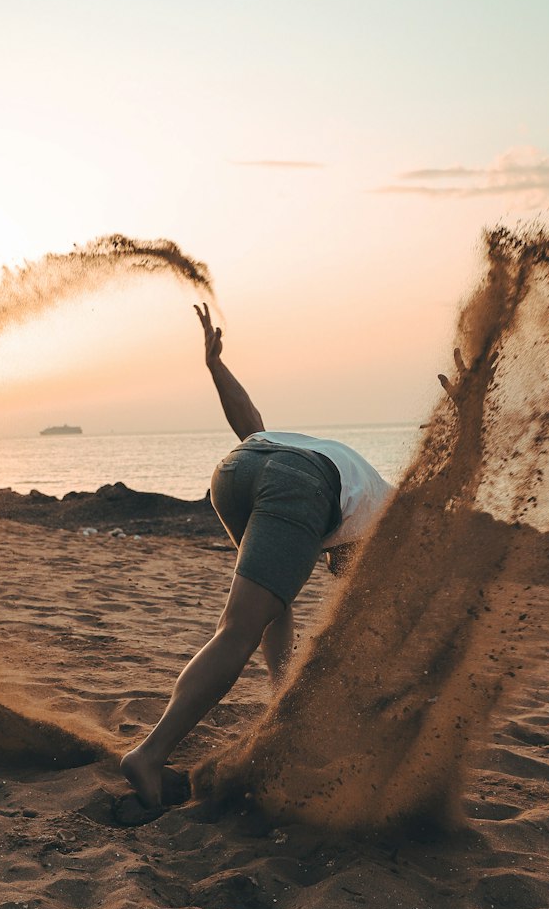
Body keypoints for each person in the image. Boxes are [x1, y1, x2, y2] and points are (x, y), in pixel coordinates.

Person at [118, 304, 394, 811]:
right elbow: (445, 484)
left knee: (272, 604)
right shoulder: (389, 509)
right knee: (238, 630)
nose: (341, 570)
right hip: (298, 485)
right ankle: (149, 754)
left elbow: (250, 425)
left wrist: (215, 367)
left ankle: (279, 694)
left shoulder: (343, 474)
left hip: (237, 470)